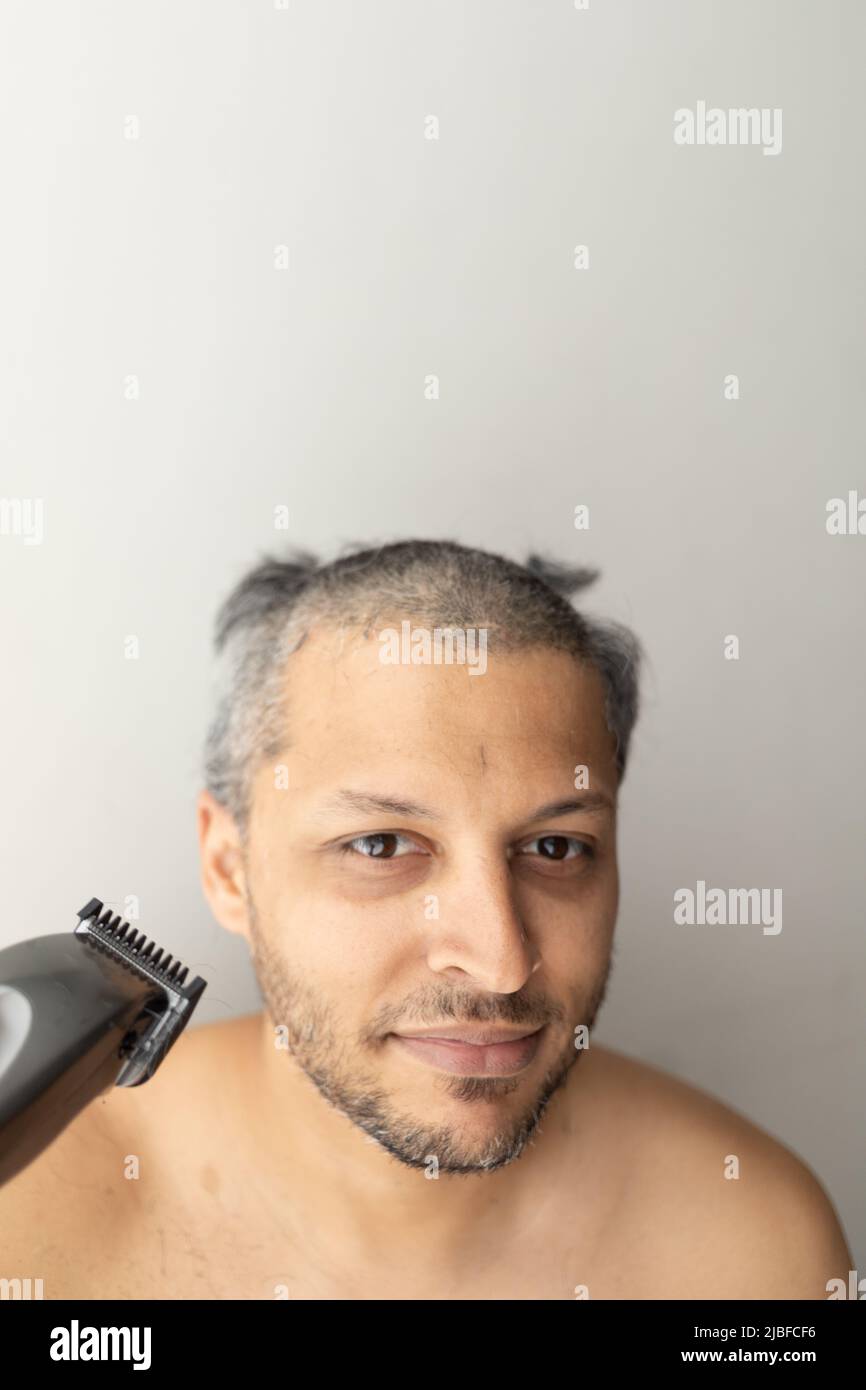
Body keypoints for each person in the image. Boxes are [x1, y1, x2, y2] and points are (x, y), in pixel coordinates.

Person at [0, 540, 853, 1299]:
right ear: (229, 868)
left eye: (556, 848)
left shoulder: (757, 1253)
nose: (498, 961)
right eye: (380, 845)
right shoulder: (31, 1216)